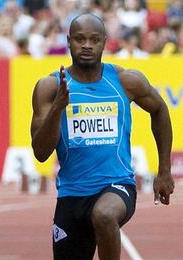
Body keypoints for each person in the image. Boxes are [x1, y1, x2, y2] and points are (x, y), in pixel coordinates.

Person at [30, 13, 174, 260]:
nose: (87, 45)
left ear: (104, 43)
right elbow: (41, 153)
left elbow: (160, 110)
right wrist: (57, 108)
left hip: (116, 186)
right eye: (80, 39)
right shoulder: (50, 87)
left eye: (94, 40)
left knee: (104, 215)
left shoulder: (125, 81)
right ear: (68, 41)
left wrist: (164, 170)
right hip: (71, 195)